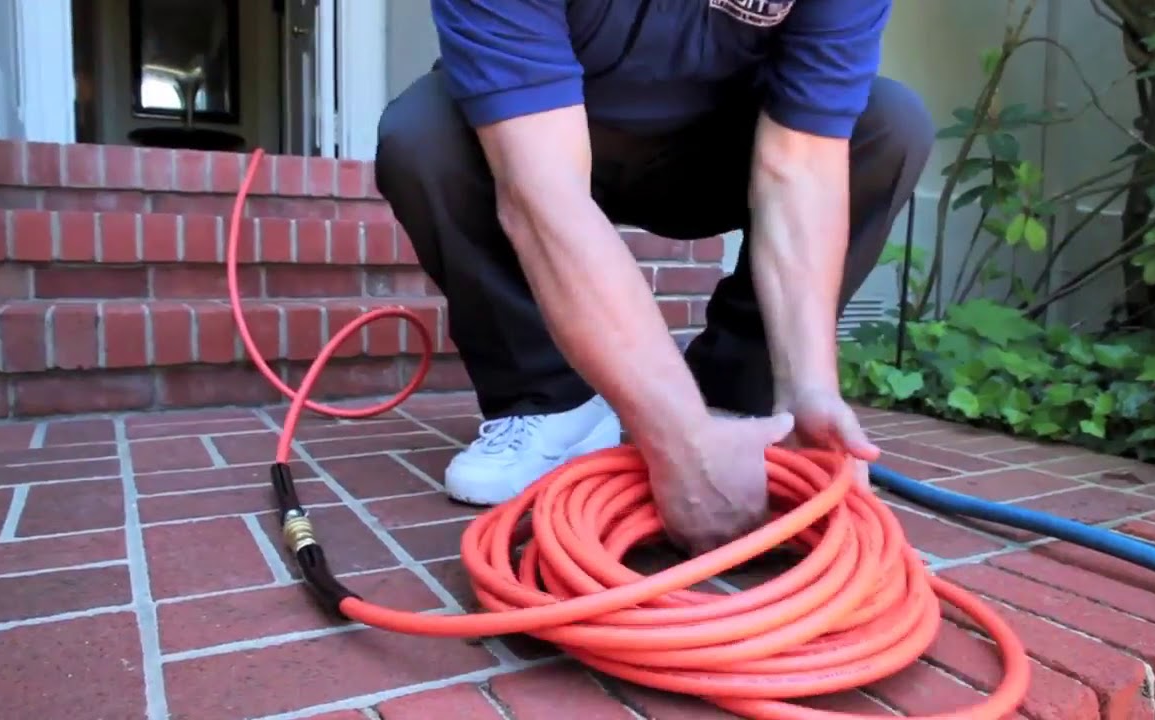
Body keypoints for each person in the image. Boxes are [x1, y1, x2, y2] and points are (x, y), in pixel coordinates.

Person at [374, 0, 934, 554]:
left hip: (723, 150)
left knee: (887, 122)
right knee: (424, 133)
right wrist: (679, 436)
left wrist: (810, 387)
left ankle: (744, 400)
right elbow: (542, 192)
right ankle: (551, 402)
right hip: (553, 131)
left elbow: (803, 165)